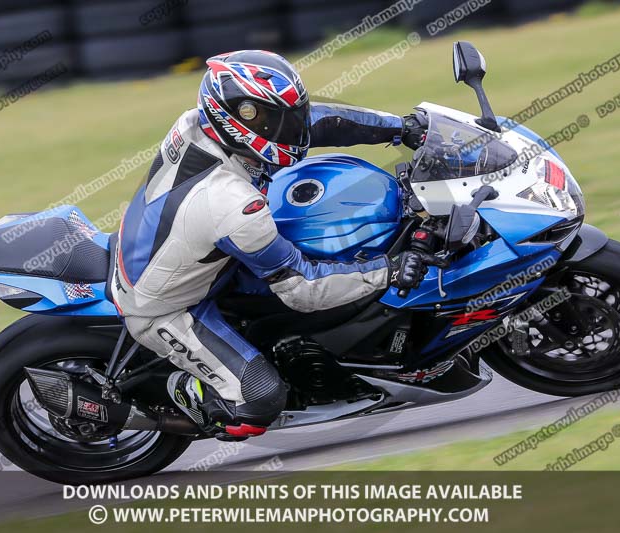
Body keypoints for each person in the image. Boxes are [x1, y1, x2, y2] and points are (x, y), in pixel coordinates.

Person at [111, 50, 429, 440]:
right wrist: (388, 271)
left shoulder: (198, 122)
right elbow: (303, 288)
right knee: (260, 400)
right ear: (238, 122)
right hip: (164, 306)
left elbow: (318, 123)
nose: (293, 128)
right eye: (275, 119)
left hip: (189, 254)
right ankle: (185, 393)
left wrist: (401, 127)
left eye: (290, 115)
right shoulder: (231, 204)